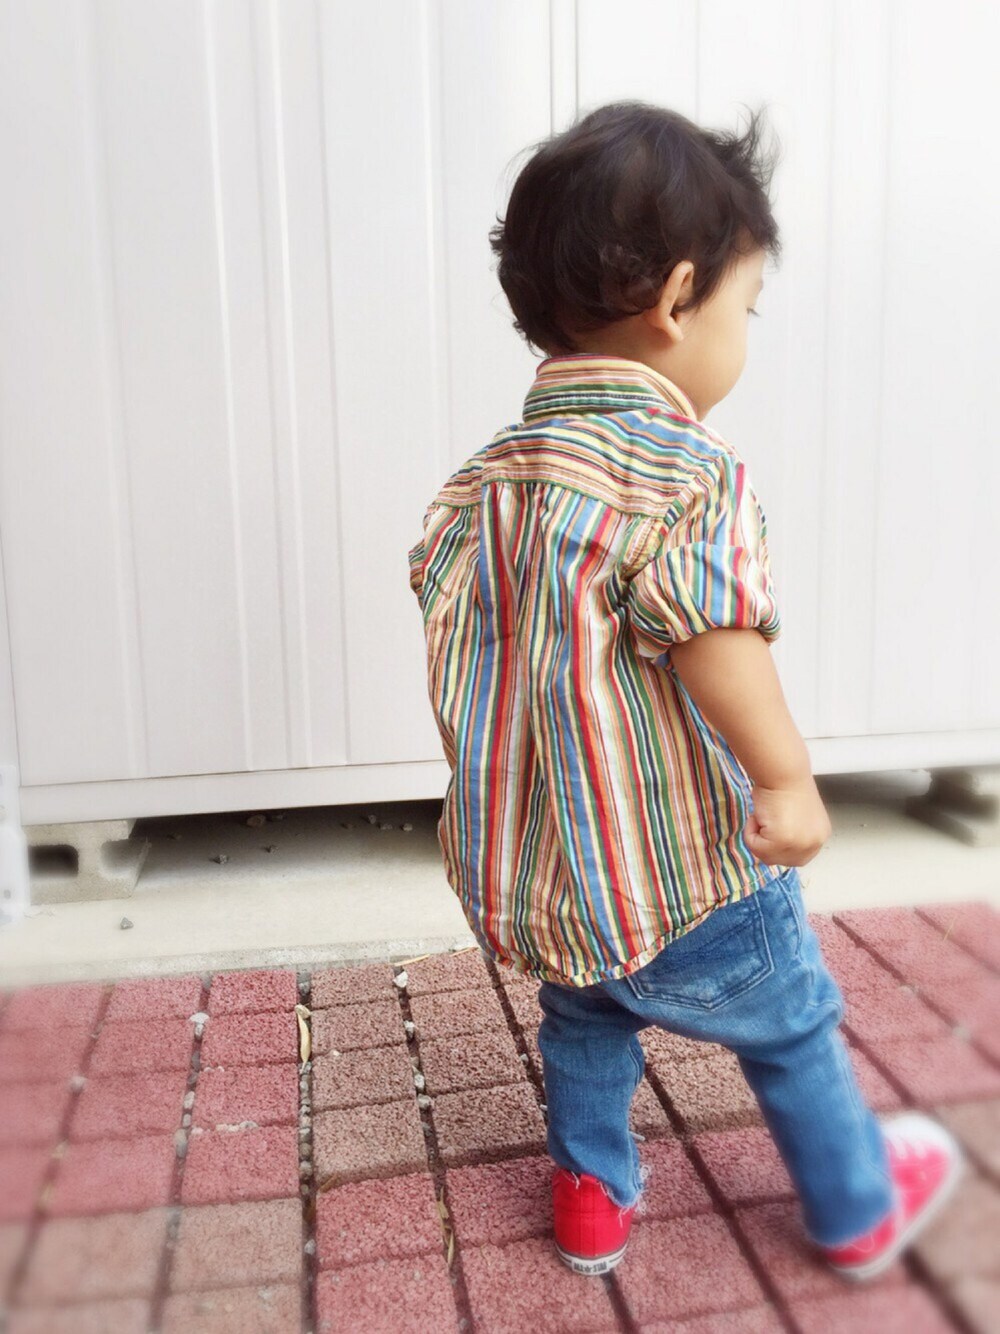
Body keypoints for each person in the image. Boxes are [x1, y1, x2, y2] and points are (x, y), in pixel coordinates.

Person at [406, 101, 961, 1280]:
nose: (742, 334)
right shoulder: (683, 476)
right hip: (681, 864)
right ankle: (856, 1203)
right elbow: (716, 637)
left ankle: (591, 1201)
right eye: (742, 309)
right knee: (791, 1019)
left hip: (553, 868)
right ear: (675, 300)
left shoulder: (480, 486)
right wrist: (785, 777)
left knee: (586, 1015)